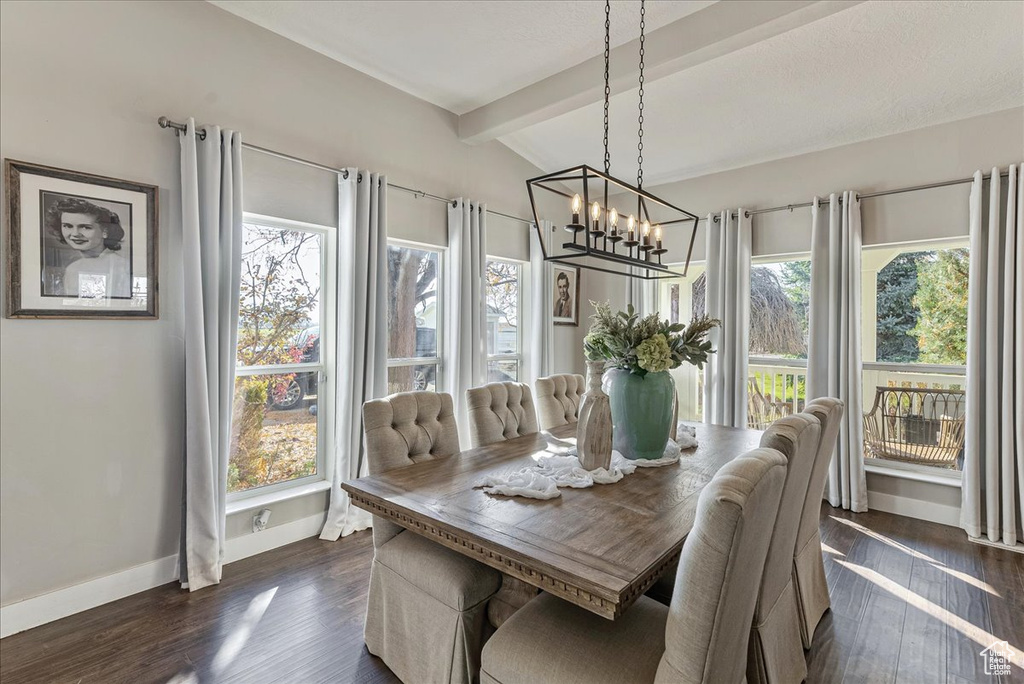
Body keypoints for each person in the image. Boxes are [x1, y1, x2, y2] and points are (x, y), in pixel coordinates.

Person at [45, 196, 130, 298]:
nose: (75, 234)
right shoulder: (72, 268)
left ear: (105, 232)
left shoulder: (121, 266)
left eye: (85, 227)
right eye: (68, 226)